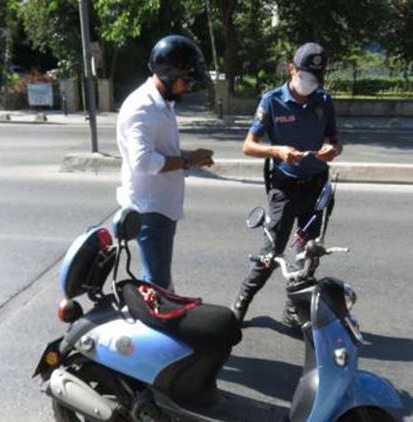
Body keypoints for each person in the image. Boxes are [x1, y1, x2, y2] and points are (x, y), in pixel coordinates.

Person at [231, 42, 343, 325]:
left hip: (316, 188)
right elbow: (248, 145)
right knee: (271, 252)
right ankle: (242, 300)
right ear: (291, 69)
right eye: (306, 76)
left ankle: (294, 307)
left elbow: (336, 140)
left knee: (307, 253)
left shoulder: (324, 101)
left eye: (316, 78)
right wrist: (276, 151)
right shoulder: (271, 101)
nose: (311, 84)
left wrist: (334, 150)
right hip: (285, 188)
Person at [116, 34, 214, 291]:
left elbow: (159, 150)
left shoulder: (161, 103)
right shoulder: (142, 107)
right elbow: (143, 161)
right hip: (151, 211)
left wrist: (189, 156)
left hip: (161, 207)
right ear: (169, 75)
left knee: (160, 281)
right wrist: (185, 161)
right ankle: (156, 326)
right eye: (187, 81)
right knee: (157, 286)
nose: (189, 88)